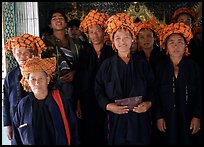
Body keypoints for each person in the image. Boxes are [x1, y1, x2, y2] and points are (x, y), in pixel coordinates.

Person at [95, 13, 154, 145]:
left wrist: (148, 104)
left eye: (126, 37)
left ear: (132, 39)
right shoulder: (106, 65)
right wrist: (108, 106)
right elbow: (98, 89)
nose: (122, 42)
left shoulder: (142, 63)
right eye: (118, 38)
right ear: (113, 42)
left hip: (139, 118)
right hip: (116, 119)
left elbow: (152, 86)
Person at [12, 56, 80, 145]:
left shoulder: (60, 100)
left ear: (47, 80)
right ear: (27, 81)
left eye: (41, 78)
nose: (37, 83)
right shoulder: (23, 105)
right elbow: (16, 137)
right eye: (33, 79)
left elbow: (73, 127)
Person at [153, 22, 202, 145]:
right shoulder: (160, 68)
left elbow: (201, 93)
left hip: (189, 118)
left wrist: (197, 116)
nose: (176, 46)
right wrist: (158, 116)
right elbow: (155, 94)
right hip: (167, 120)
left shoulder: (194, 67)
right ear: (166, 47)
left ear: (186, 45)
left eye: (180, 42)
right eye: (172, 43)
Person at [74, 9, 115, 144]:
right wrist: (78, 103)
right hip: (88, 100)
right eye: (91, 32)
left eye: (97, 30)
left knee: (108, 131)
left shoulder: (112, 52)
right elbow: (78, 80)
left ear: (104, 32)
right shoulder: (84, 53)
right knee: (90, 133)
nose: (95, 35)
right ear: (88, 35)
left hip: (108, 99)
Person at [3, 33, 47, 145]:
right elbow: (6, 100)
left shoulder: (38, 73)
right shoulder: (11, 75)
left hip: (34, 117)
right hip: (15, 120)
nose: (22, 56)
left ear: (32, 54)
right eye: (19, 53)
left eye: (26, 53)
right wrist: (7, 124)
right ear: (13, 54)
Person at [41, 9, 82, 106]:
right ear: (50, 25)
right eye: (54, 18)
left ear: (65, 23)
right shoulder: (44, 44)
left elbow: (83, 63)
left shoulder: (77, 44)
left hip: (76, 86)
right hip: (53, 87)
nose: (58, 20)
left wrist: (75, 73)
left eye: (61, 18)